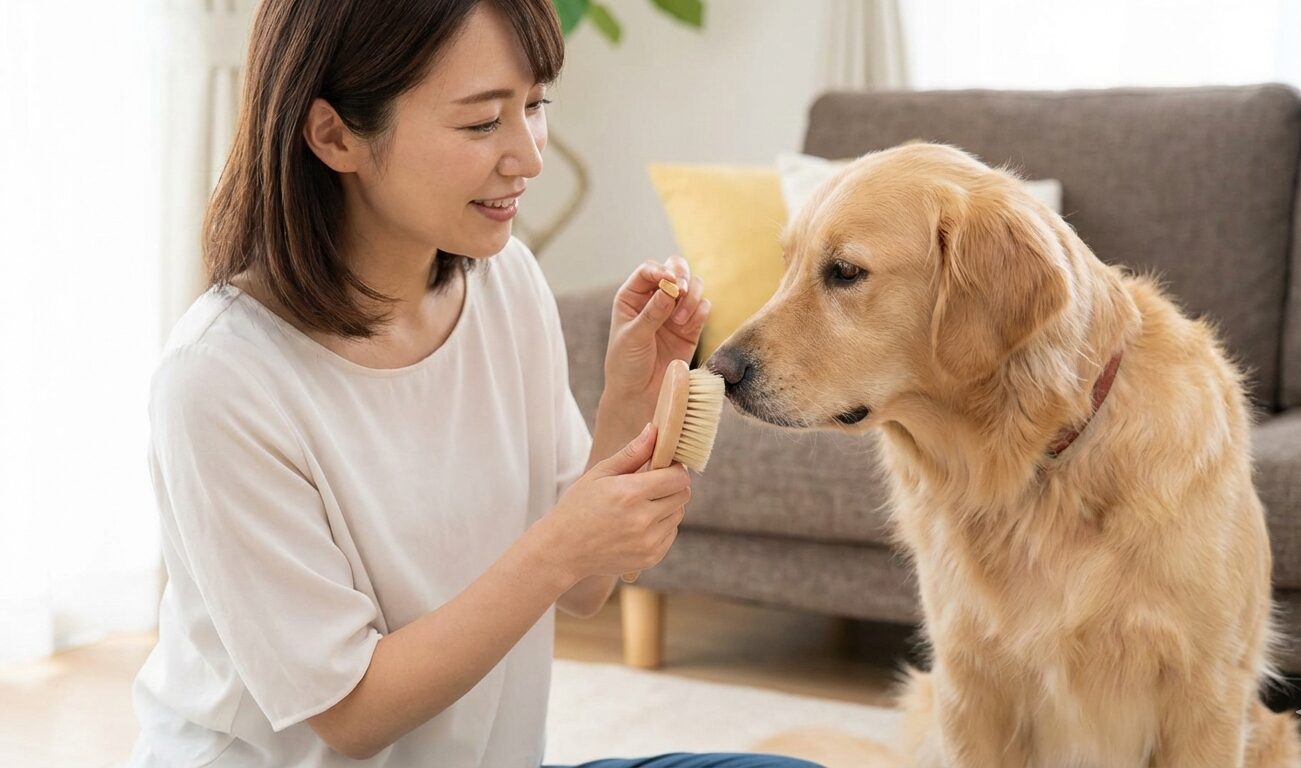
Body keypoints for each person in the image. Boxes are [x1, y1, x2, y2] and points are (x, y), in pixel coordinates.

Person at [127, 0, 823, 766]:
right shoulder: (220, 383)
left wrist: (632, 393)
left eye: (535, 105)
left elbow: (583, 588)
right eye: (481, 122)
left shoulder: (505, 283)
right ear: (335, 135)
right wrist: (557, 548)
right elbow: (352, 714)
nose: (528, 156)